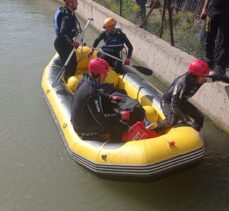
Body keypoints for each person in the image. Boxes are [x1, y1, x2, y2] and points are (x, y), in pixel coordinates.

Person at [152, 59, 229, 131]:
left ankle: (197, 136)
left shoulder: (202, 78)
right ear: (194, 76)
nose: (205, 79)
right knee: (172, 120)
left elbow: (217, 77)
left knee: (200, 116)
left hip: (182, 101)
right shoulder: (182, 83)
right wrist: (189, 122)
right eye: (203, 76)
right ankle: (155, 129)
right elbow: (174, 106)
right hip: (168, 102)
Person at [71, 58, 130, 141]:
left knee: (108, 107)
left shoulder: (85, 80)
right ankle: (114, 146)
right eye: (104, 73)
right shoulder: (91, 94)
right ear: (95, 73)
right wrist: (120, 115)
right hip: (82, 128)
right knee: (117, 126)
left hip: (81, 120)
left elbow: (98, 91)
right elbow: (101, 119)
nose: (106, 76)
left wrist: (109, 97)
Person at [200, 0, 229, 75]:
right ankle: (208, 62)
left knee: (225, 40)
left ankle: (221, 67)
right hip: (213, 8)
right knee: (208, 36)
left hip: (226, 10)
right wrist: (204, 8)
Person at [54, 0, 81, 78]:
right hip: (61, 44)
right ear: (70, 3)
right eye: (75, 2)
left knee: (73, 63)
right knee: (70, 66)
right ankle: (66, 80)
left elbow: (67, 33)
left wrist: (72, 41)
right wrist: (72, 43)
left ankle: (68, 78)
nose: (77, 3)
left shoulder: (69, 13)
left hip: (65, 42)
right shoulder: (67, 16)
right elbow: (63, 33)